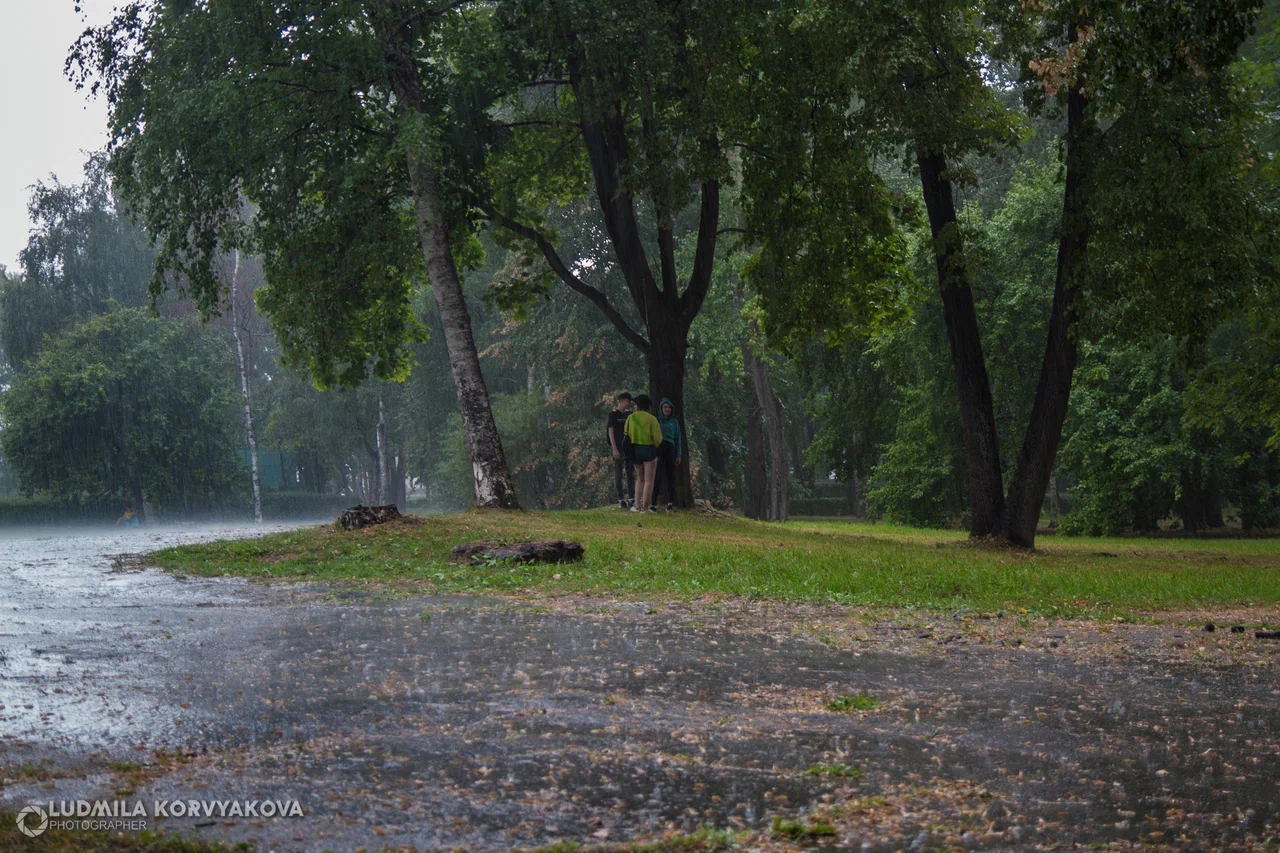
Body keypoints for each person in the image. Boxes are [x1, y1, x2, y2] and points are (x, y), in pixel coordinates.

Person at [623, 394, 663, 513]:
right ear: (648, 406)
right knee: (649, 480)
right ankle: (646, 507)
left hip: (634, 450)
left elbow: (626, 433)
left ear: (638, 406)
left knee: (640, 478)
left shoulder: (631, 417)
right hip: (648, 449)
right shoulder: (652, 419)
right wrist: (654, 446)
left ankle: (636, 505)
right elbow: (658, 438)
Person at [652, 396, 683, 512]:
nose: (667, 409)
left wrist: (679, 455)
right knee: (657, 475)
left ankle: (670, 502)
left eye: (669, 407)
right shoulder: (656, 420)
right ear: (661, 408)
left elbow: (678, 439)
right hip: (659, 448)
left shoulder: (674, 422)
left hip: (671, 448)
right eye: (665, 407)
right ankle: (653, 502)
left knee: (671, 475)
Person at [606, 392, 635, 509]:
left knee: (630, 473)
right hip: (618, 447)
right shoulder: (613, 415)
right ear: (621, 401)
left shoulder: (630, 415)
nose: (629, 404)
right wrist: (614, 449)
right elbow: (610, 432)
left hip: (628, 448)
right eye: (628, 401)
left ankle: (632, 498)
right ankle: (620, 498)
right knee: (618, 474)